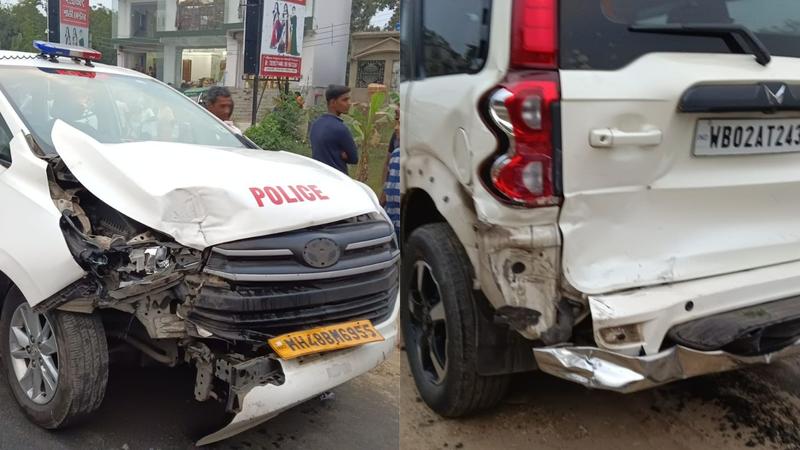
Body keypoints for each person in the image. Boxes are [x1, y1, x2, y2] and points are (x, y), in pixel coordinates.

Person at [309, 85, 358, 174]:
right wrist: (342, 155)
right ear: (333, 103)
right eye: (345, 100)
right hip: (337, 178)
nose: (349, 103)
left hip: (318, 176)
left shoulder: (315, 124)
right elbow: (354, 158)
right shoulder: (340, 128)